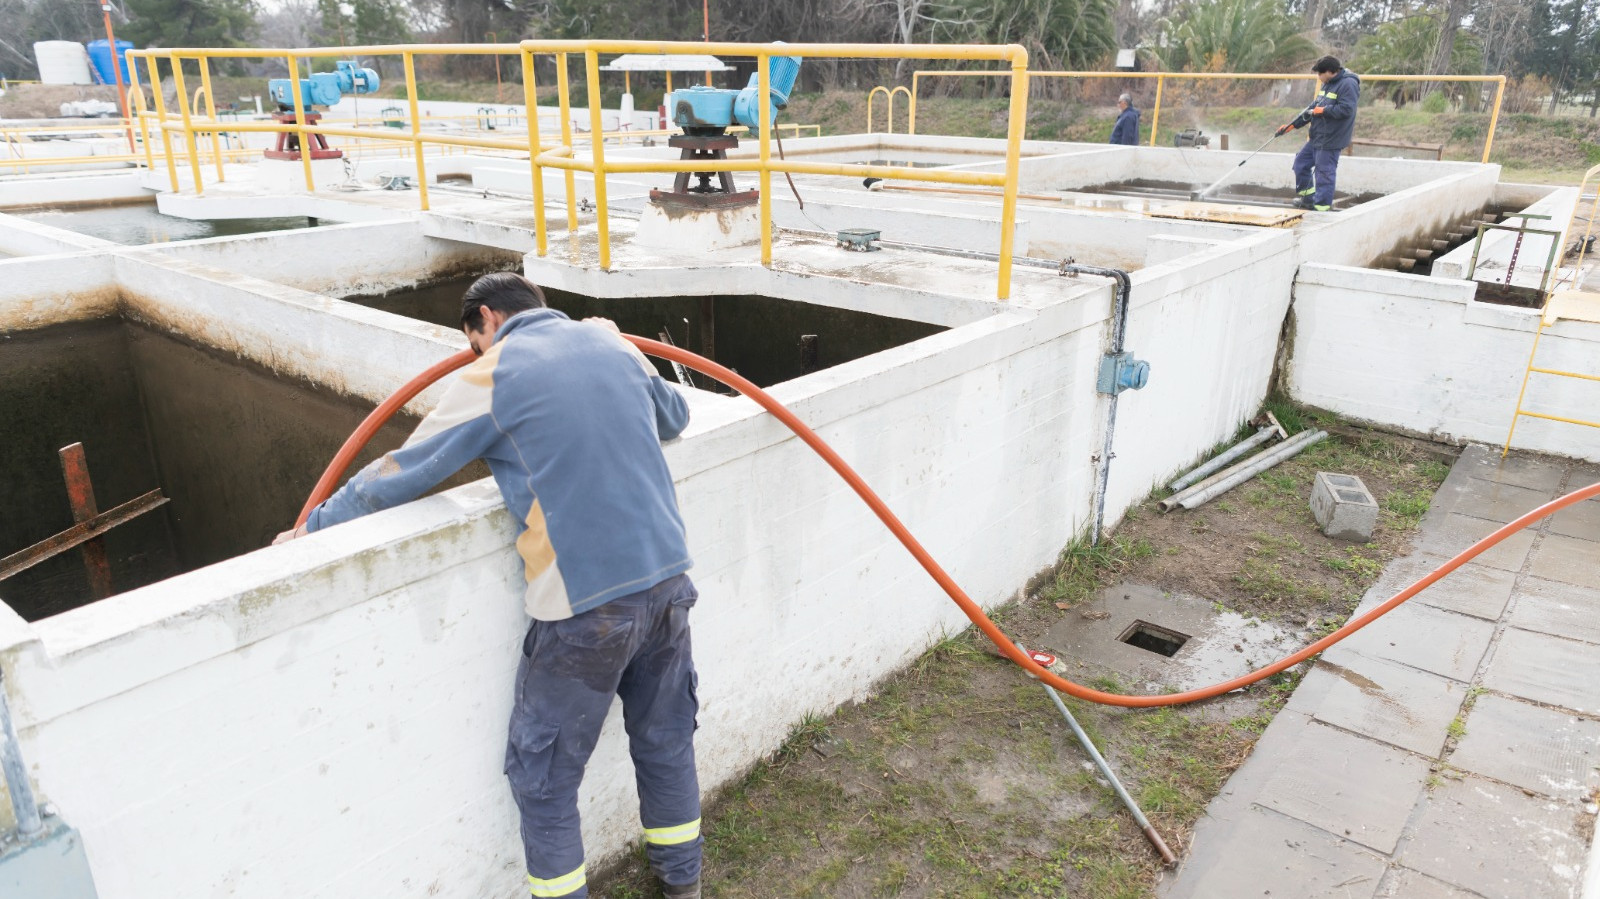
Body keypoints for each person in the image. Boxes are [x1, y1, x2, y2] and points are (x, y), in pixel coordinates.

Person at [275, 272, 703, 899]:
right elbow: (676, 416)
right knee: (665, 739)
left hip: (585, 608)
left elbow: (398, 474)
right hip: (668, 582)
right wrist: (624, 344)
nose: (477, 353)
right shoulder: (608, 346)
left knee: (545, 775)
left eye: (474, 341)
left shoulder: (494, 370)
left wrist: (312, 527)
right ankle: (683, 885)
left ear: (484, 321)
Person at [1276, 56, 1360, 211]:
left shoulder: (1348, 84)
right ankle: (1307, 199)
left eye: (1319, 74)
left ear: (1329, 72)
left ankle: (1322, 208)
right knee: (1301, 164)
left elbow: (1347, 109)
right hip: (1318, 136)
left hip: (1331, 139)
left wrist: (1324, 111)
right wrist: (1292, 125)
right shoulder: (1327, 84)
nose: (1318, 78)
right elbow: (1312, 108)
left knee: (1324, 174)